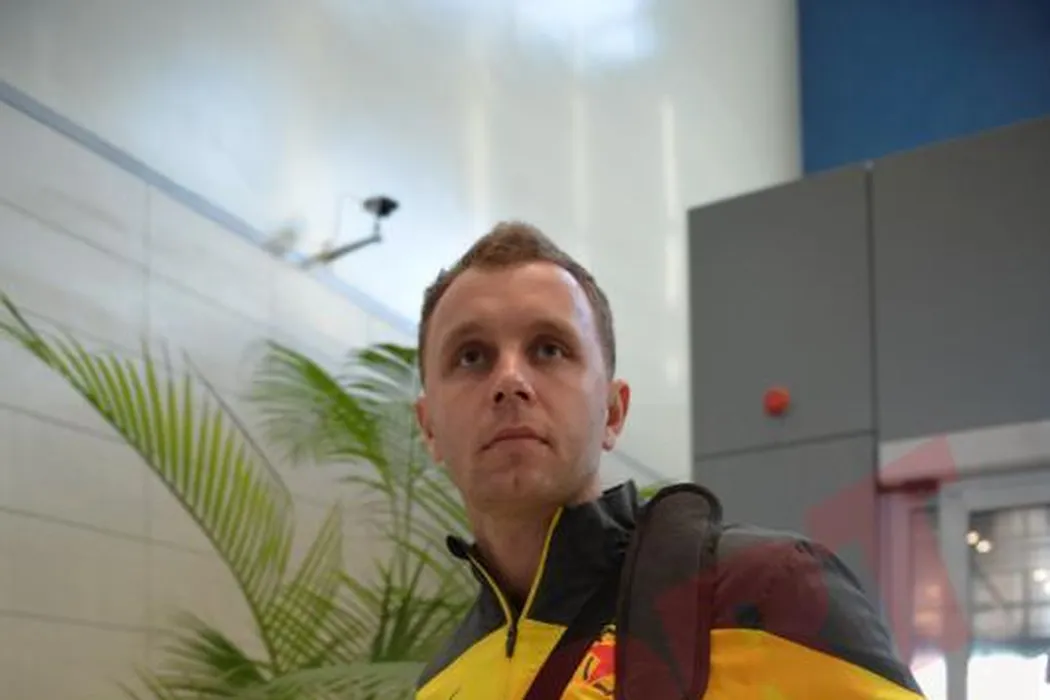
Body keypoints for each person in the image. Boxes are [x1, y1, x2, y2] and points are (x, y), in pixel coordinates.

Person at [412, 221, 924, 699]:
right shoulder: (440, 684)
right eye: (471, 356)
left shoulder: (768, 596)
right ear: (429, 426)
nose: (510, 381)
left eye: (548, 350)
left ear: (613, 412)